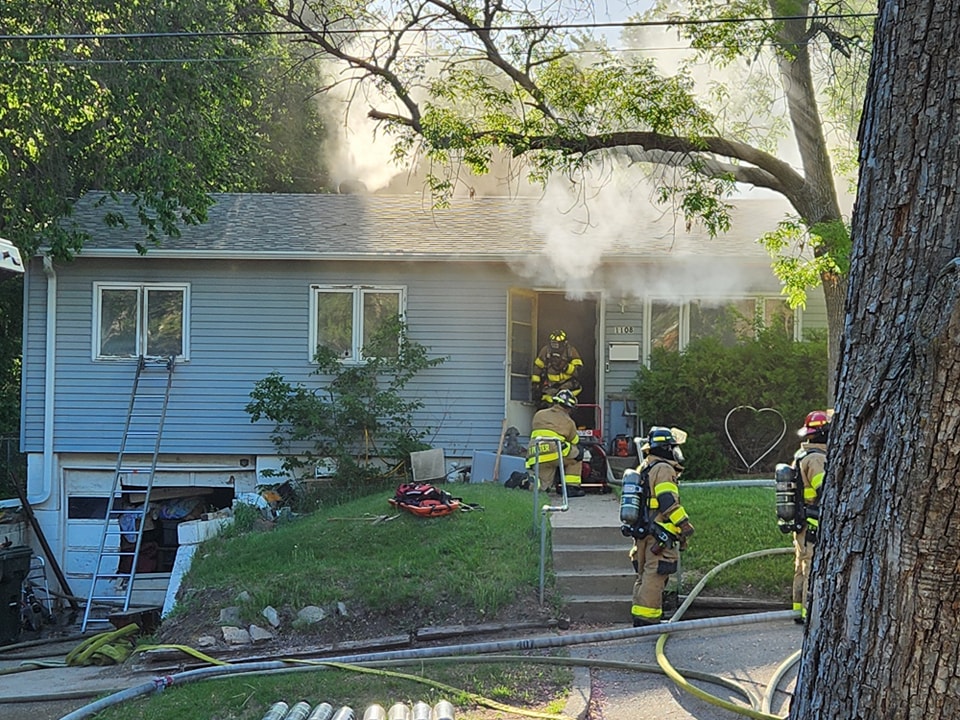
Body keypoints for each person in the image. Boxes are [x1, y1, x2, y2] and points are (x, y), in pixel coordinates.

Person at [630, 426, 694, 626]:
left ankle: (640, 616)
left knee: (644, 575)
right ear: (666, 448)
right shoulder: (664, 469)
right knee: (655, 575)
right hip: (658, 533)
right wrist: (683, 524)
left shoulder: (645, 467)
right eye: (673, 448)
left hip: (644, 532)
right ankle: (647, 620)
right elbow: (667, 501)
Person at [789, 410, 829, 624]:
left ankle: (797, 610)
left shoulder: (801, 455)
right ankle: (808, 614)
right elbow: (826, 491)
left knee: (801, 566)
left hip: (802, 524)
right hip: (812, 523)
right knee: (811, 567)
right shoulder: (816, 459)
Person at [525, 389, 585, 497]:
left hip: (535, 454)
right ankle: (571, 487)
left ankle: (523, 481)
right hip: (554, 452)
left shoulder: (539, 414)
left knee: (542, 487)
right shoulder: (568, 421)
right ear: (568, 407)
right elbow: (575, 441)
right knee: (578, 454)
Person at [531, 329, 583, 408]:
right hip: (550, 386)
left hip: (568, 386)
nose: (555, 346)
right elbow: (537, 368)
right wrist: (536, 385)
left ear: (564, 343)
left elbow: (579, 371)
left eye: (557, 344)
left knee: (566, 408)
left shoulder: (571, 352)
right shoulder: (546, 351)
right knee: (547, 406)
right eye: (553, 344)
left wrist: (565, 367)